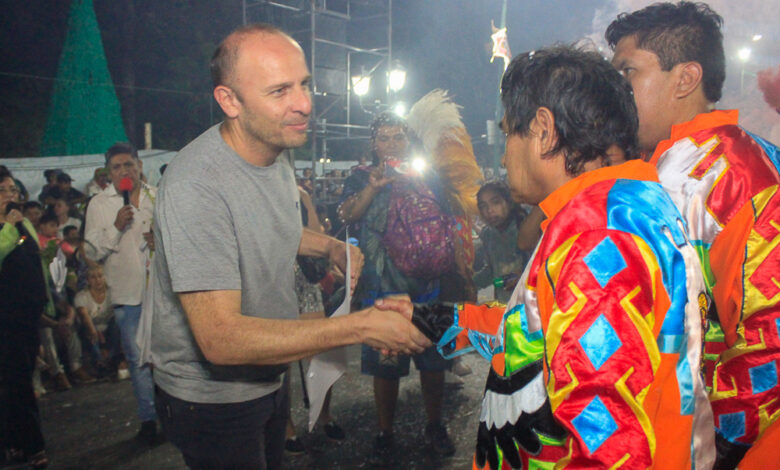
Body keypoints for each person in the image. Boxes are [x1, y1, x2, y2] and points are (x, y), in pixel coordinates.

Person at [381, 45, 717, 469]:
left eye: (507, 133)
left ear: (543, 129)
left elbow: (606, 444)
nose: (503, 157)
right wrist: (432, 319)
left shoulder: (599, 236)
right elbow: (537, 332)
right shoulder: (609, 212)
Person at [142, 23, 428, 470]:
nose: (304, 105)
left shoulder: (275, 145)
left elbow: (267, 227)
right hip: (215, 399)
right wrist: (359, 327)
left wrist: (328, 246)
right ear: (230, 100)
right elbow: (220, 339)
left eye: (305, 85)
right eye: (280, 91)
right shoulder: (195, 185)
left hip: (268, 375)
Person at [606, 3, 780, 468]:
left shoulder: (731, 172)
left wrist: (723, 443)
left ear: (685, 79)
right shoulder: (661, 166)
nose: (612, 91)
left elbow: (771, 339)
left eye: (627, 72)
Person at [338, 112, 457, 465]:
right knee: (384, 366)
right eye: (384, 138)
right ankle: (384, 430)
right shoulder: (360, 177)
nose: (392, 143)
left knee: (433, 362)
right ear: (373, 144)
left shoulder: (426, 174)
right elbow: (346, 215)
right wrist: (373, 187)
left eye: (399, 137)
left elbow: (448, 219)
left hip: (428, 287)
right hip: (384, 291)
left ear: (409, 141)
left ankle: (434, 425)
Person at [84, 141, 158, 445]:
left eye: (129, 164)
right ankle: (149, 419)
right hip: (127, 296)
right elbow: (91, 251)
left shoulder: (155, 196)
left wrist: (160, 239)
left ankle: (175, 415)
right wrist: (116, 227)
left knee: (167, 357)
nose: (124, 170)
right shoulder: (100, 204)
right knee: (138, 360)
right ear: (109, 173)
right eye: (117, 167)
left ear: (139, 165)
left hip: (160, 292)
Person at [0, 169, 49, 468]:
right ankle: (30, 445)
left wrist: (48, 305)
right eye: (3, 190)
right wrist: (8, 227)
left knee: (18, 379)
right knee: (14, 382)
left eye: (13, 189)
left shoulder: (25, 223)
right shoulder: (10, 226)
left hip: (27, 315)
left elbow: (36, 263)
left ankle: (16, 442)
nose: (11, 195)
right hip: (4, 317)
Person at [473, 181, 530, 303]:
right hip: (505, 304)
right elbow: (492, 271)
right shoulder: (489, 235)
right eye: (483, 206)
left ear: (508, 203)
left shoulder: (525, 229)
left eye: (495, 202)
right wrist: (471, 281)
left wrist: (524, 277)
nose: (489, 210)